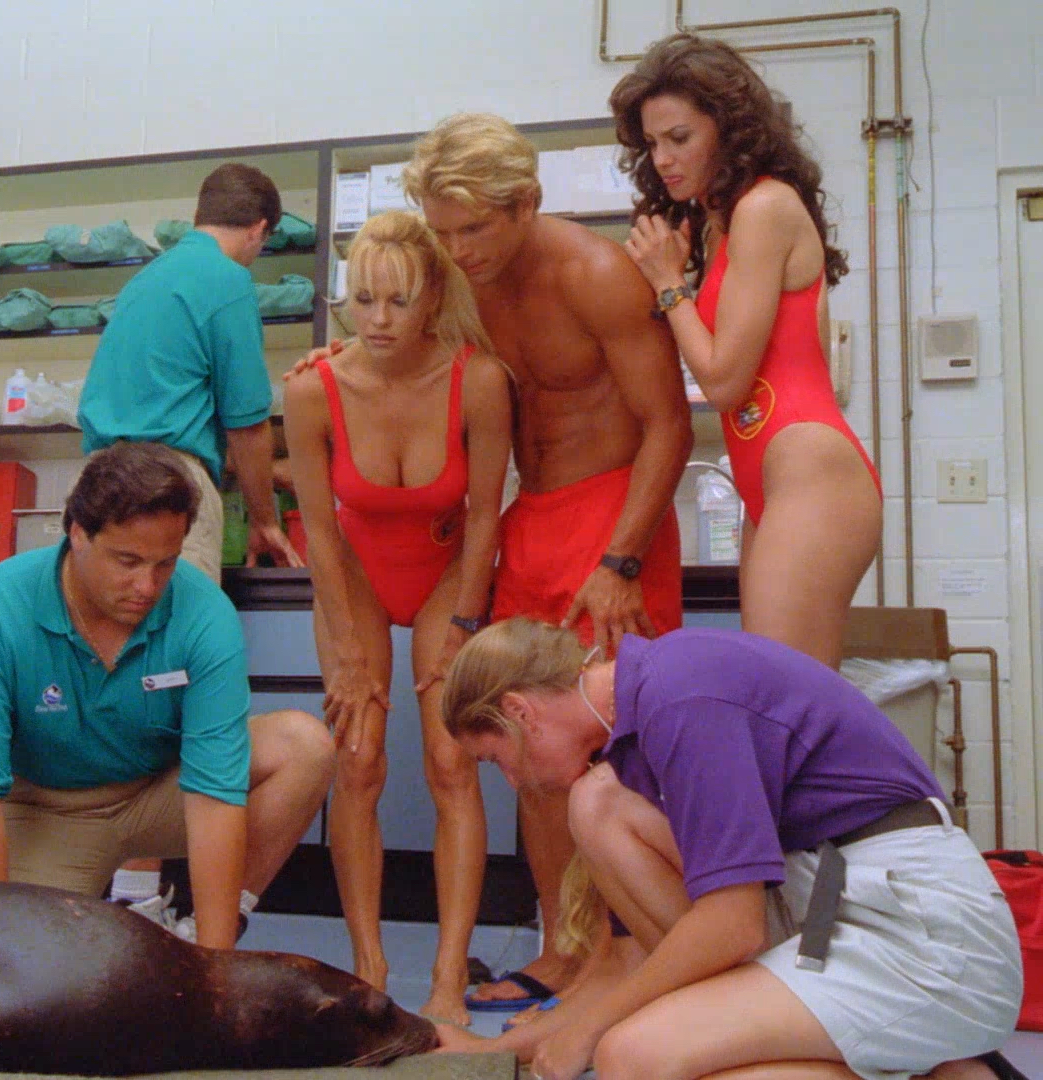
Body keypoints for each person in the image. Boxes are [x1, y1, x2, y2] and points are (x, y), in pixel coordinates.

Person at [293, 112, 693, 1011]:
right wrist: (340, 350)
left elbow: (670, 424)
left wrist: (623, 560)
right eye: (446, 230)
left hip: (612, 521)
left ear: (527, 203)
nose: (461, 247)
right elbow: (395, 331)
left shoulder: (595, 274)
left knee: (620, 747)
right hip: (529, 522)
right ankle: (563, 948)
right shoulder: (462, 283)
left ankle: (640, 951)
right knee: (529, 748)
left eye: (475, 227)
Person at [433, 618, 1023, 1080]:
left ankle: (940, 1069)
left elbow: (732, 924)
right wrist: (500, 1051)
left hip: (925, 938)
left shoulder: (681, 697)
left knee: (630, 1056)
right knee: (598, 804)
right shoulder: (635, 733)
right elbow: (634, 961)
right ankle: (930, 1064)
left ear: (520, 713)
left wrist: (589, 1032)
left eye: (496, 759)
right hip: (832, 897)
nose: (514, 781)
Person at [0, 441, 335, 950]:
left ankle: (197, 936)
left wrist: (213, 964)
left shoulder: (205, 614)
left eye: (165, 563)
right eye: (127, 560)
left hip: (158, 796)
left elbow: (215, 794)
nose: (147, 586)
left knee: (304, 745)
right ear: (78, 534)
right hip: (47, 812)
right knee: (22, 959)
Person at [282, 210, 513, 1020]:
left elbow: (484, 516)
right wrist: (348, 652)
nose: (377, 320)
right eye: (363, 300)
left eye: (398, 301)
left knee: (451, 760)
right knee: (358, 758)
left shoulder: (478, 380)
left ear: (432, 300)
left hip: (448, 572)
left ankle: (448, 976)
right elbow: (317, 530)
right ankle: (370, 968)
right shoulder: (311, 389)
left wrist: (464, 629)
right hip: (354, 575)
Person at [78, 162, 305, 925]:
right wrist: (266, 518)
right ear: (260, 230)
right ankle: (152, 907)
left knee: (114, 684)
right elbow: (247, 422)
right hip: (169, 485)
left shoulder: (149, 279)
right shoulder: (227, 280)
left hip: (101, 488)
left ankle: (115, 898)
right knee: (172, 687)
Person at [613, 33, 882, 668]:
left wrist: (669, 285)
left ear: (730, 129)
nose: (664, 159)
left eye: (680, 138)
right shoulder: (718, 222)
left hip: (810, 472)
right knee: (780, 694)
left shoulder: (764, 206)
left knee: (791, 700)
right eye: (652, 143)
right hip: (771, 479)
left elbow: (725, 383)